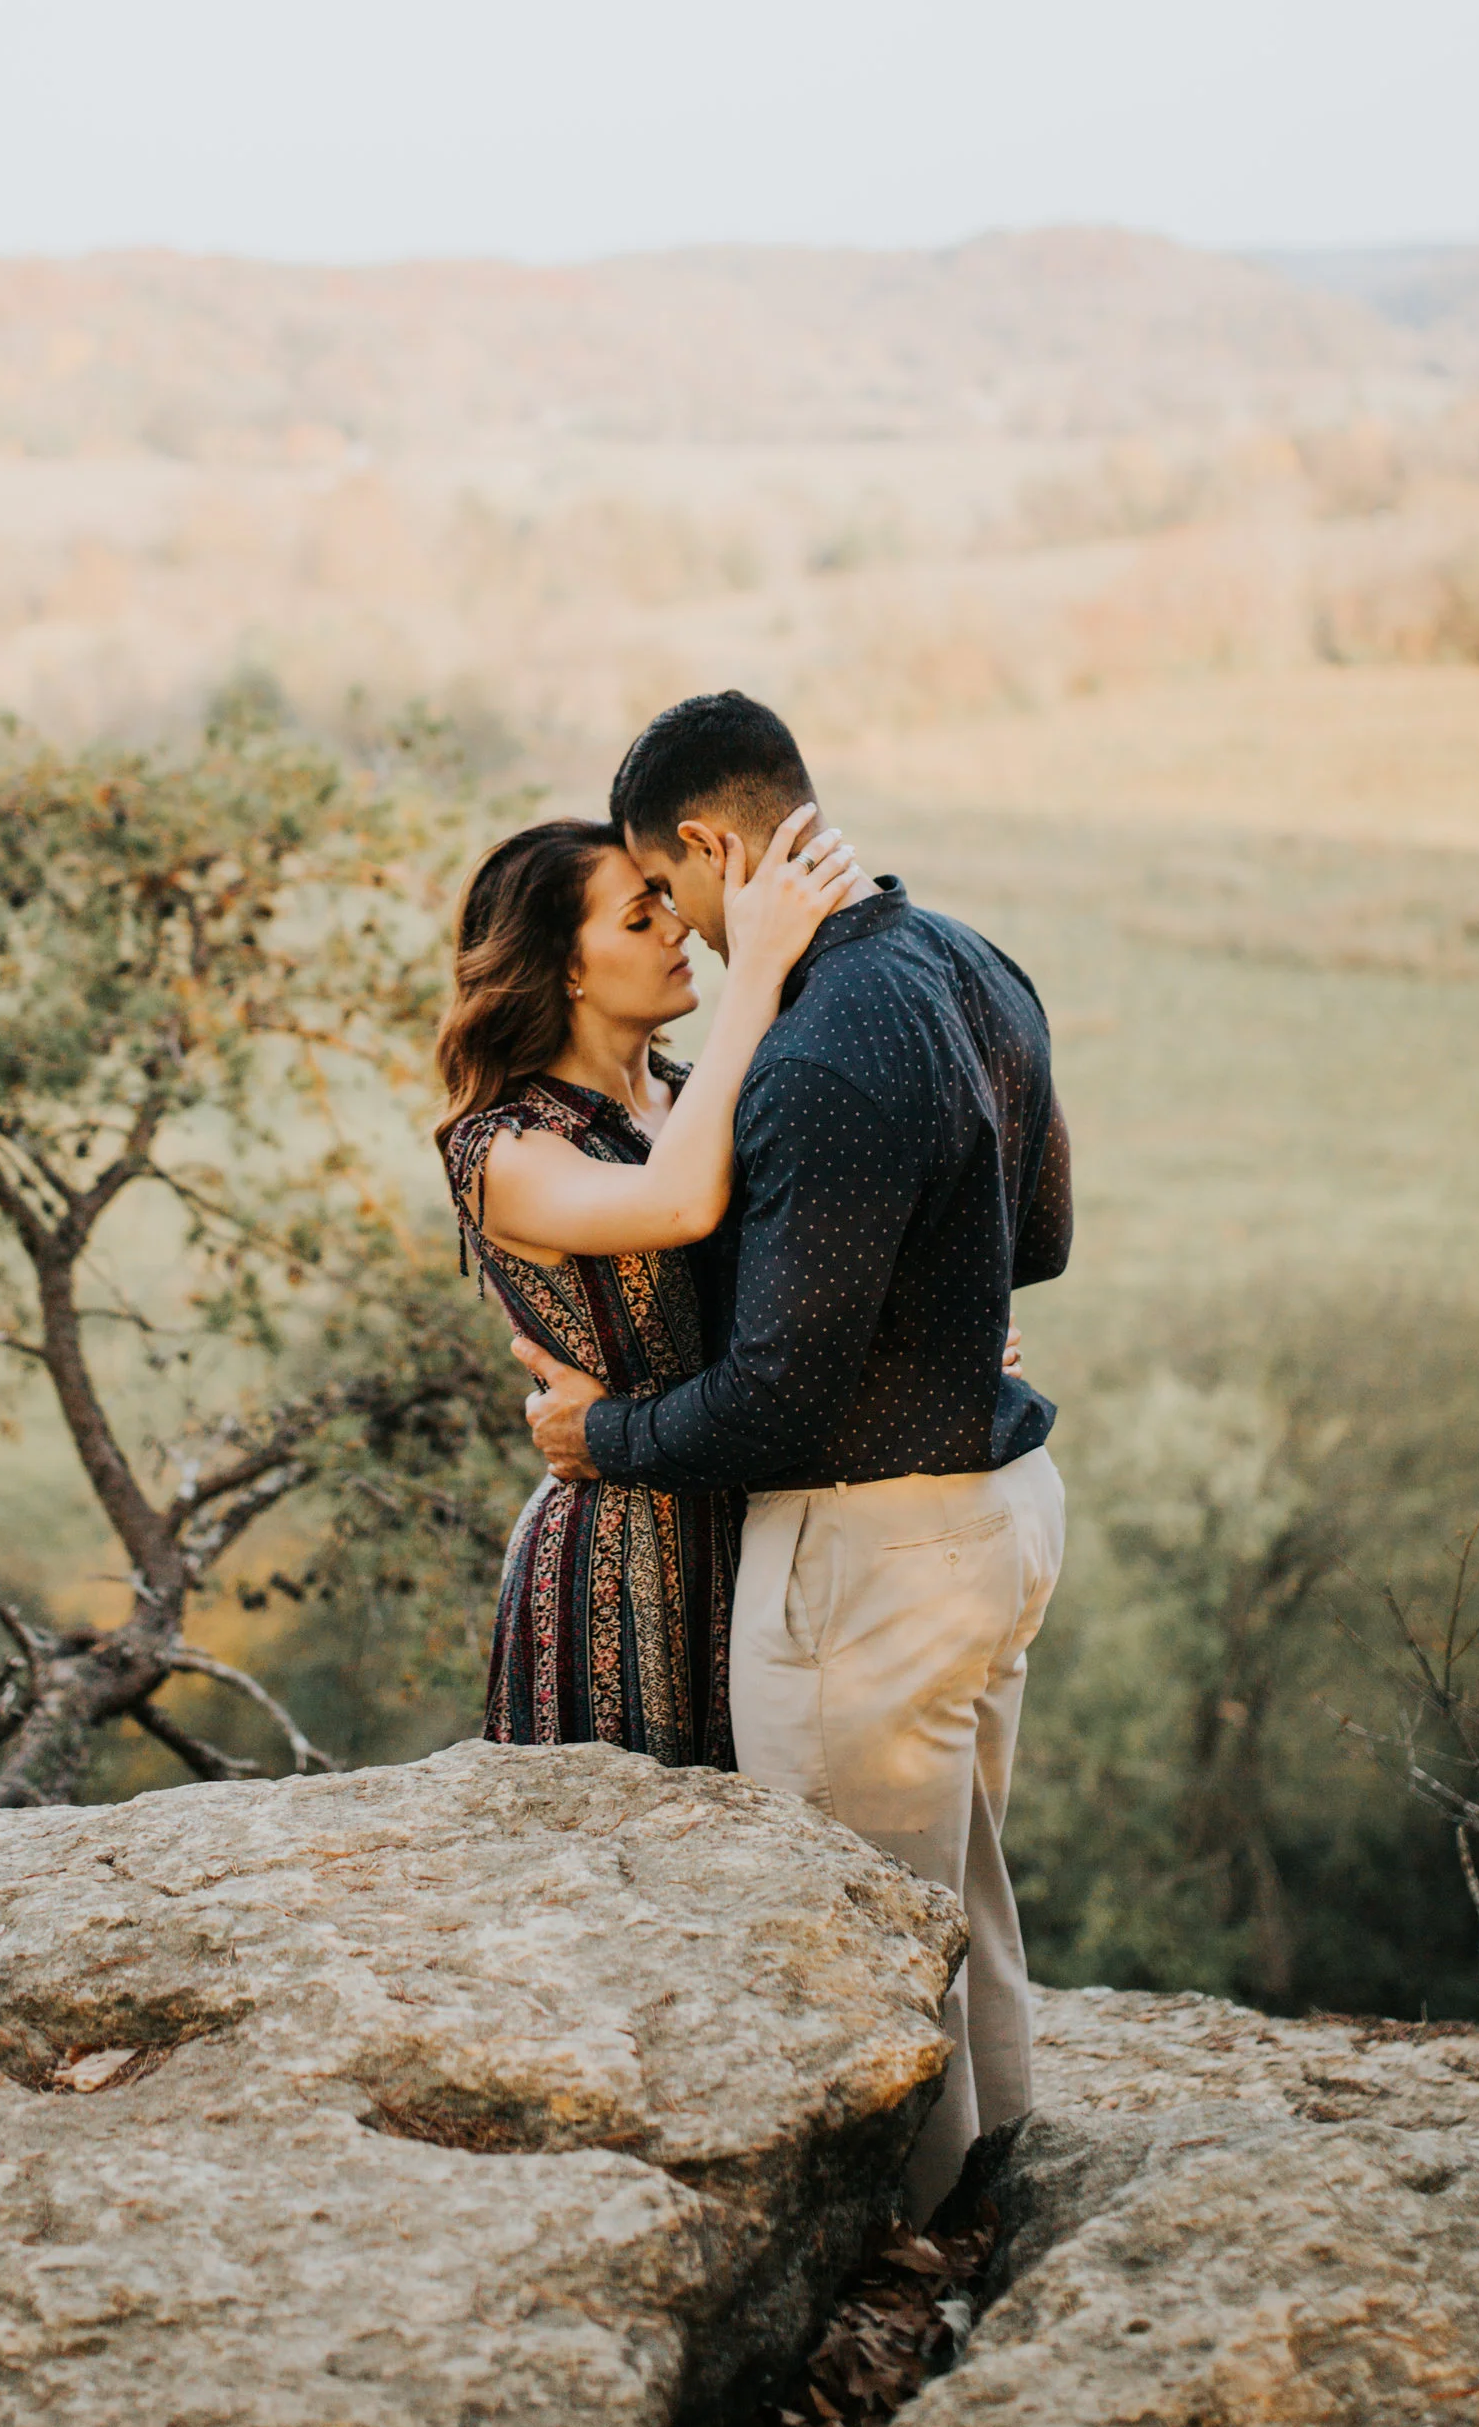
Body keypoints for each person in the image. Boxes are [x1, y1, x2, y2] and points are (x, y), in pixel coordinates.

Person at [514, 691, 1073, 2224]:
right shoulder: (965, 958)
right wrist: (945, 1326)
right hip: (999, 1510)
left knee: (856, 1945)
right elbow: (1045, 1237)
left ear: (708, 844)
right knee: (959, 1906)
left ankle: (893, 2259)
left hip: (874, 1551)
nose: (687, 932)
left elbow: (771, 1402)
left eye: (669, 886)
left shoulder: (818, 1047)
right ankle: (999, 2211)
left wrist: (596, 1432)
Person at [435, 803, 860, 1764]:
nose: (678, 928)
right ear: (565, 969)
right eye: (639, 918)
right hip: (614, 1564)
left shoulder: (686, 1091)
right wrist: (755, 970)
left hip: (750, 1531)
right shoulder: (504, 1148)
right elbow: (677, 1207)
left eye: (668, 902)